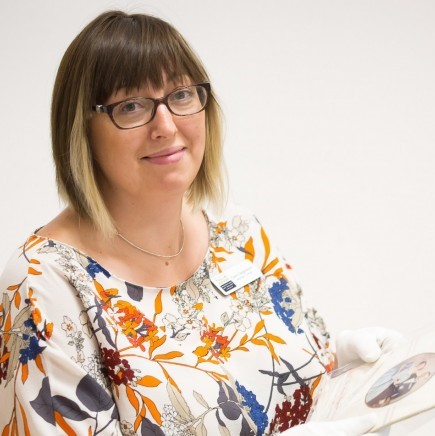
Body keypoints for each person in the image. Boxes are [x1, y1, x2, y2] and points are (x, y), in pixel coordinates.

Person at [0, 10, 401, 436]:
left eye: (182, 95)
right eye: (132, 106)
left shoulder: (239, 233)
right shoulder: (46, 285)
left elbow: (306, 380)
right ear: (81, 129)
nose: (166, 125)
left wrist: (345, 374)